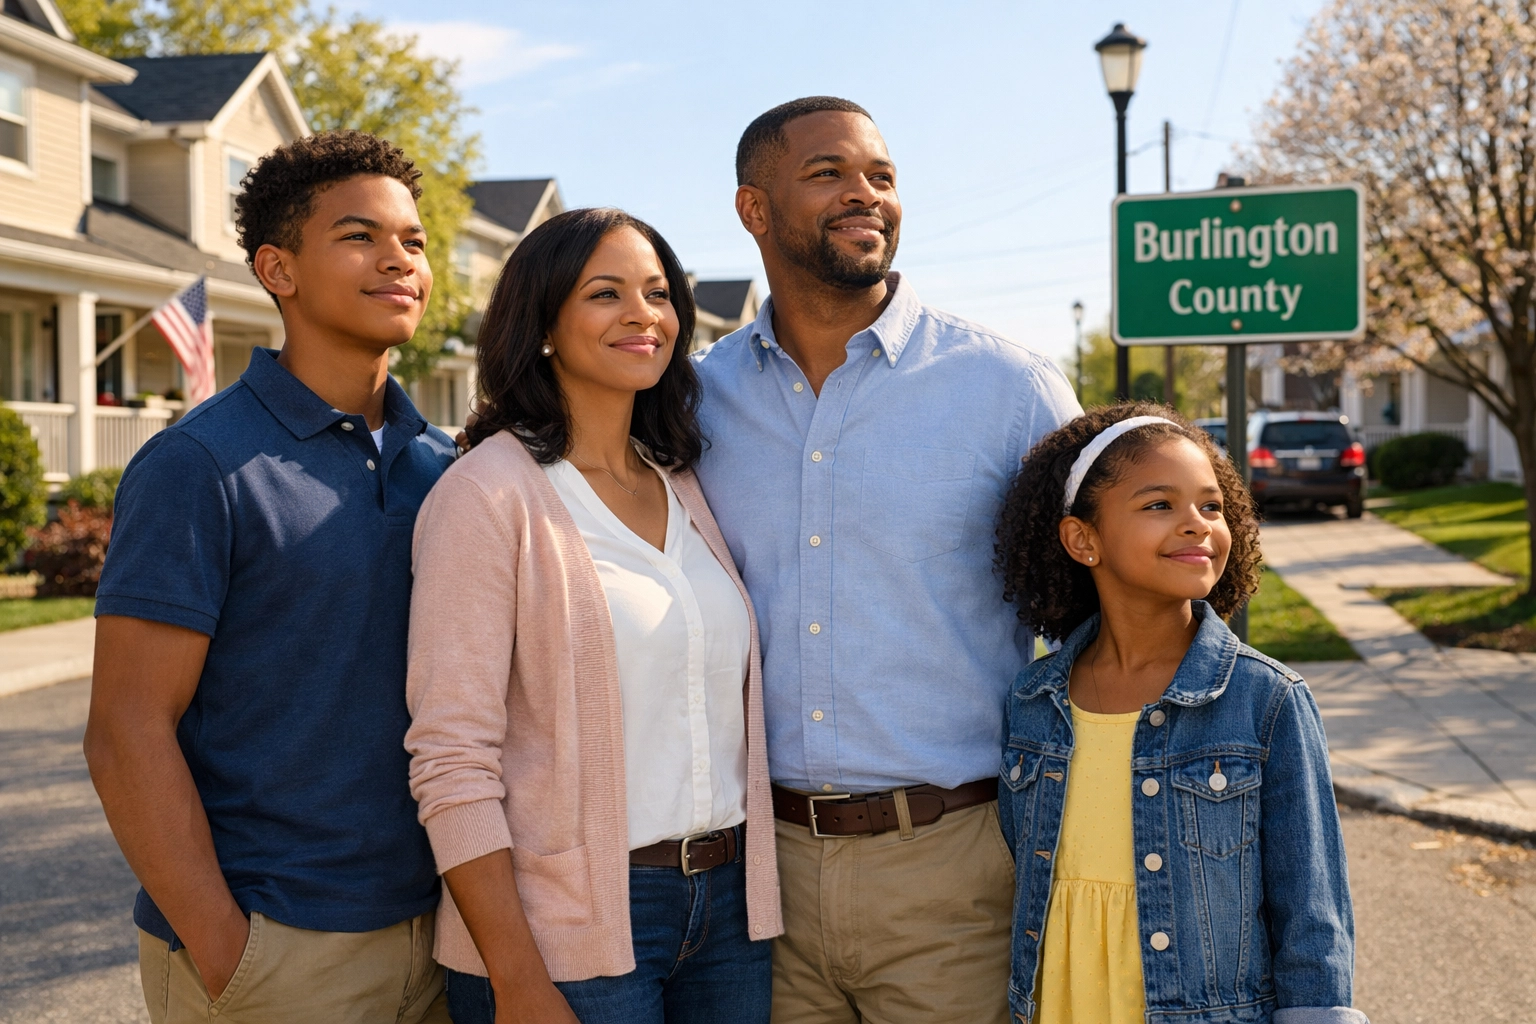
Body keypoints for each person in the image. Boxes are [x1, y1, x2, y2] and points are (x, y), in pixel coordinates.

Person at [690, 96, 1081, 1023]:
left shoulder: (1011, 390)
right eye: (828, 173)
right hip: (760, 879)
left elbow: (1097, 620)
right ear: (753, 208)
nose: (865, 195)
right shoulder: (693, 403)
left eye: (882, 176)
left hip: (953, 866)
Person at [83, 130, 456, 1023]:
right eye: (360, 236)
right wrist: (228, 952)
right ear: (277, 269)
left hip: (442, 937)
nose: (398, 260)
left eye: (413, 240)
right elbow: (126, 729)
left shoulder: (444, 467)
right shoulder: (199, 464)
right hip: (276, 948)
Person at [404, 207, 782, 1024]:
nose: (643, 314)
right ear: (543, 325)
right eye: (605, 294)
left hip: (728, 918)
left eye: (657, 292)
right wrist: (516, 978)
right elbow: (450, 759)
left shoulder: (682, 481)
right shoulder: (485, 497)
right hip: (563, 932)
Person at [994, 404, 1366, 1024]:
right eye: (1159, 505)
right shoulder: (1034, 700)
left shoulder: (1265, 700)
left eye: (1211, 506)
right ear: (1083, 539)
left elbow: (1312, 914)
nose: (1197, 525)